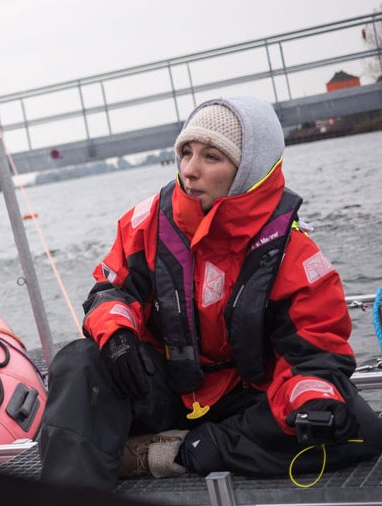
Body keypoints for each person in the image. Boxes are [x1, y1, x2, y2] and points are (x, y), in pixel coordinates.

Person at [37, 96, 382, 490]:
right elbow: (111, 290)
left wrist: (314, 402)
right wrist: (117, 336)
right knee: (81, 362)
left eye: (211, 157)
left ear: (247, 169)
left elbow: (314, 353)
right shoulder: (146, 224)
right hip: (163, 390)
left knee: (356, 427)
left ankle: (174, 454)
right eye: (186, 152)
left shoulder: (293, 253)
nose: (190, 170)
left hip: (249, 402)